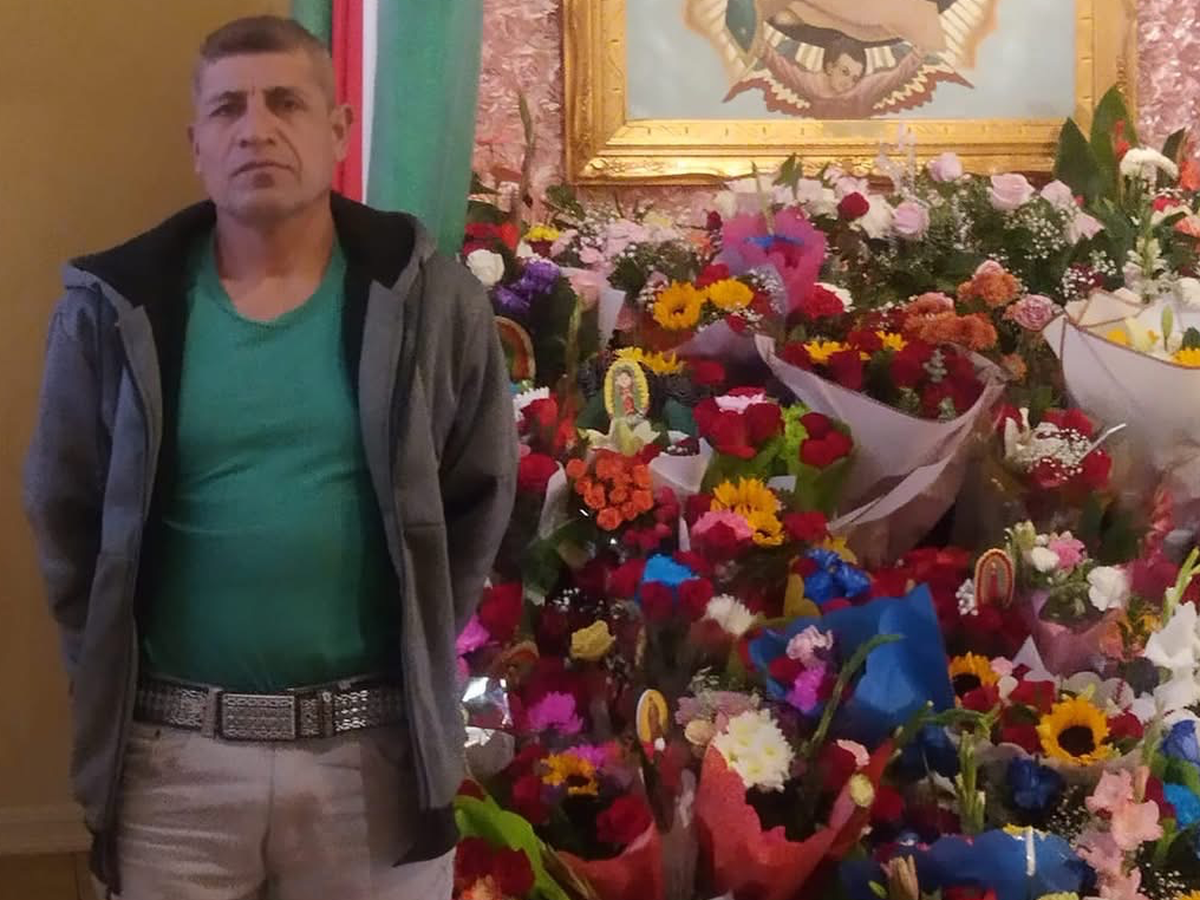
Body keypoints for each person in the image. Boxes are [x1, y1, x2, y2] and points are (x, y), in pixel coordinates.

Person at [23, 14, 517, 900]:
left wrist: (419, 646)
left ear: (339, 130)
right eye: (228, 109)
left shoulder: (428, 300)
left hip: (372, 764)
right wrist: (102, 674)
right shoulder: (115, 310)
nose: (256, 129)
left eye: (286, 102)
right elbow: (67, 515)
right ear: (197, 144)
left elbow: (478, 495)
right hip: (172, 771)